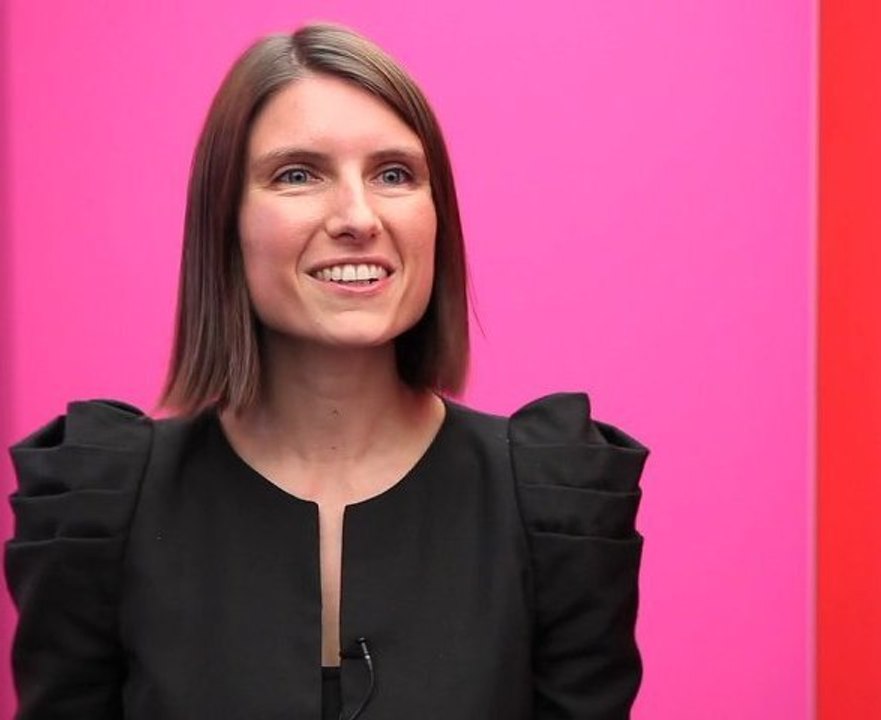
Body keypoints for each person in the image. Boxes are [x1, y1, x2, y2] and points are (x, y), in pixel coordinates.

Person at [5, 23, 649, 720]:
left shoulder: (557, 507)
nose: (357, 216)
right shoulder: (99, 510)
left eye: (394, 174)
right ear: (225, 222)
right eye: (297, 174)